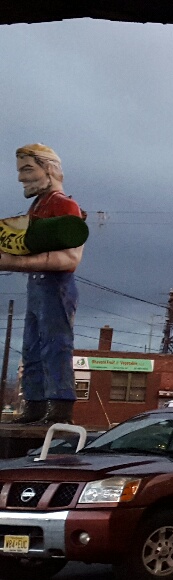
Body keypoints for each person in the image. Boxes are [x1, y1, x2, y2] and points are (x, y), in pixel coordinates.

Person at [0, 145, 85, 425]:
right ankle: (35, 403)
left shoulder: (64, 206)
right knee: (32, 347)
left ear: (48, 169)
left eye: (27, 169)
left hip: (55, 284)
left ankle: (60, 406)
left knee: (54, 343)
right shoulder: (39, 205)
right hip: (38, 285)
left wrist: (13, 263)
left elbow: (70, 258)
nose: (22, 178)